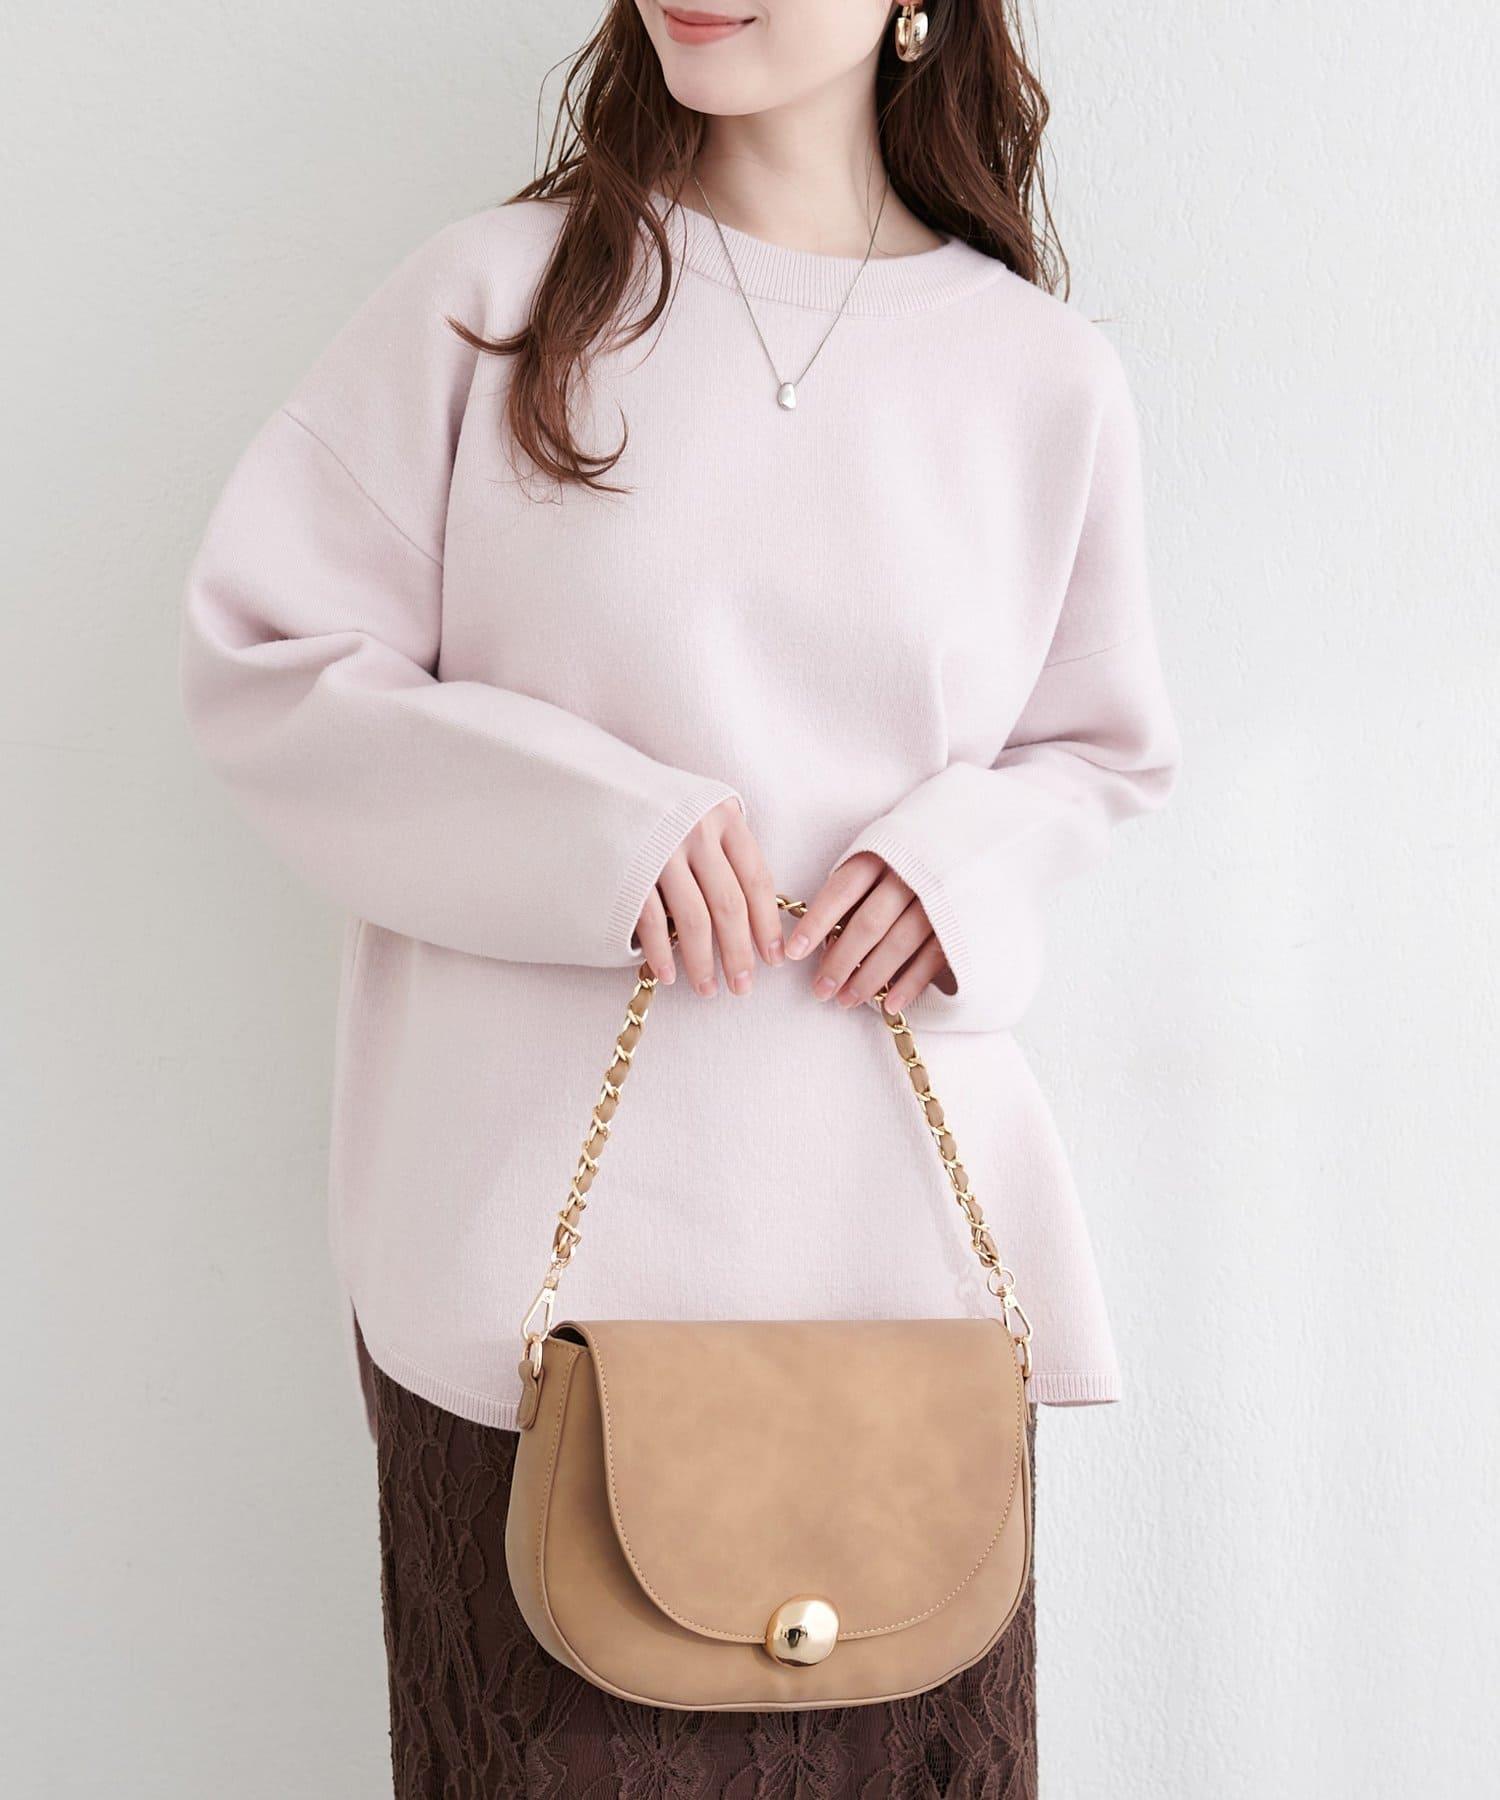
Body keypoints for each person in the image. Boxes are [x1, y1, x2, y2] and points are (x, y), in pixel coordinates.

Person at [179, 2, 1181, 1792]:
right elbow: (267, 666)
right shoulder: (496, 299)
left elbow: (1096, 751)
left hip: (900, 1302)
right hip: (530, 1306)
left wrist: (956, 873)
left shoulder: (1040, 375)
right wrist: (599, 834)